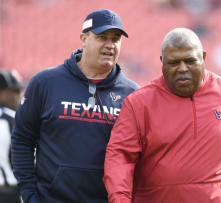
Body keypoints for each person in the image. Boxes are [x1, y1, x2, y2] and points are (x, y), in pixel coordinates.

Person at [104, 28, 221, 203]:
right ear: (162, 62)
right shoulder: (139, 104)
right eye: (174, 63)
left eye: (190, 61)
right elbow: (119, 158)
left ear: (203, 57)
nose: (182, 69)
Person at [11, 9, 139, 203]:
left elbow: (136, 158)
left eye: (116, 39)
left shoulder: (132, 94)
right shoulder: (45, 83)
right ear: (84, 38)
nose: (110, 45)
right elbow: (22, 140)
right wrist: (29, 194)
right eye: (102, 37)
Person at [0, 70, 24, 203]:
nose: (19, 96)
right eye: (15, 91)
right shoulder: (13, 120)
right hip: (8, 193)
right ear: (2, 93)